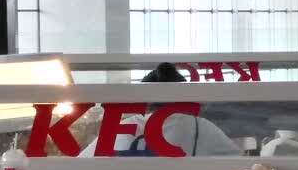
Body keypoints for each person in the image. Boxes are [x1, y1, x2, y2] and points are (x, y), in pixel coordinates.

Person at [78, 63, 240, 157]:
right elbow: (239, 162)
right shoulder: (199, 126)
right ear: (184, 97)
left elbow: (81, 162)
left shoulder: (121, 126)